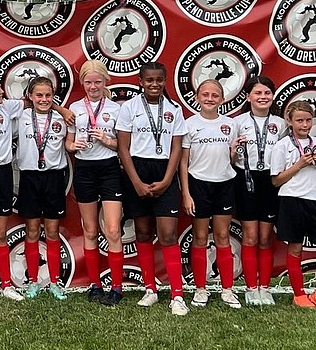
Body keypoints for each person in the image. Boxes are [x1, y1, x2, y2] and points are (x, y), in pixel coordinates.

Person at [0, 73, 73, 302]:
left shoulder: (9, 107)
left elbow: (36, 101)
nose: (2, 92)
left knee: (0, 233)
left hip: (4, 173)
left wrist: (63, 110)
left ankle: (7, 284)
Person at [117, 62, 189, 316]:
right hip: (137, 172)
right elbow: (123, 148)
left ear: (165, 80)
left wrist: (168, 180)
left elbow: (177, 149)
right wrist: (135, 182)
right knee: (143, 232)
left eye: (159, 80)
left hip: (165, 173)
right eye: (149, 80)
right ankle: (150, 289)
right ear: (140, 81)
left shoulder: (174, 110)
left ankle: (177, 295)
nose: (154, 84)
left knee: (168, 235)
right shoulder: (129, 108)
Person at [269, 100, 316, 311]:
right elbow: (276, 180)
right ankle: (299, 295)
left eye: (308, 120)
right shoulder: (282, 146)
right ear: (289, 122)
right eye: (299, 120)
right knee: (296, 248)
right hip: (292, 200)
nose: (305, 125)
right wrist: (299, 165)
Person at [179, 79, 241, 309]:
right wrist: (186, 193)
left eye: (215, 95)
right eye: (205, 94)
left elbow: (231, 159)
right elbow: (183, 162)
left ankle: (227, 289)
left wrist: (234, 153)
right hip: (198, 185)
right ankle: (200, 288)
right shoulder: (189, 124)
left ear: (222, 99)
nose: (209, 99)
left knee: (223, 236)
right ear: (196, 97)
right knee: (201, 237)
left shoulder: (230, 125)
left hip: (224, 184)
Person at [66, 61, 124, 304]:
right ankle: (95, 284)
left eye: (97, 82)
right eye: (88, 82)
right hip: (85, 169)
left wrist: (108, 141)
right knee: (89, 230)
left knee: (112, 230)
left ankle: (117, 287)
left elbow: (124, 146)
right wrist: (73, 146)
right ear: (83, 83)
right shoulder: (74, 108)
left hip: (110, 169)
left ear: (106, 81)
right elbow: (68, 142)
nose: (93, 86)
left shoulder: (117, 108)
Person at [231, 76, 286, 306]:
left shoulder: (281, 124)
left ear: (272, 97)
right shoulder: (238, 122)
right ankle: (251, 287)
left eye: (266, 93)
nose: (262, 97)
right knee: (250, 236)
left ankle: (265, 287)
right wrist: (233, 151)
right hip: (246, 179)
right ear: (248, 97)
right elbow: (229, 157)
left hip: (271, 181)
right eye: (258, 93)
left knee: (265, 237)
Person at [14, 76, 70, 299]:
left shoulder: (62, 118)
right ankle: (33, 281)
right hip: (29, 178)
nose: (44, 99)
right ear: (29, 96)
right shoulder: (20, 115)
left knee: (53, 231)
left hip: (54, 178)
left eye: (48, 95)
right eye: (39, 95)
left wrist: (61, 109)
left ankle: (55, 282)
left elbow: (70, 141)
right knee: (32, 231)